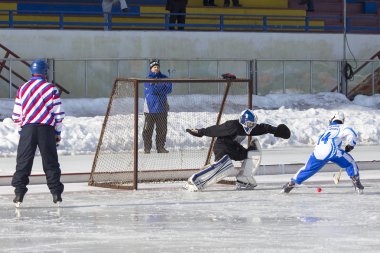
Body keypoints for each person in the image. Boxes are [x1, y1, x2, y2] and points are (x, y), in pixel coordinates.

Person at [185, 109, 291, 191]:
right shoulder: (232, 125)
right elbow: (216, 130)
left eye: (253, 124)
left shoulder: (250, 128)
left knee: (252, 152)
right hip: (222, 147)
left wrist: (276, 130)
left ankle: (244, 179)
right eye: (250, 124)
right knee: (224, 166)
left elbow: (264, 128)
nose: (251, 127)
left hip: (233, 147)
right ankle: (195, 180)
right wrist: (201, 132)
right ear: (244, 121)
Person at [11, 59, 65, 207]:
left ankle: (19, 194)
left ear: (32, 71)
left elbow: (16, 115)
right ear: (45, 72)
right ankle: (56, 194)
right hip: (46, 129)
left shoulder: (22, 89)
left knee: (23, 162)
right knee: (50, 162)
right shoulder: (51, 89)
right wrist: (57, 132)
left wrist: (22, 130)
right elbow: (58, 114)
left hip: (28, 128)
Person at [282, 111, 364, 194]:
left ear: (333, 119)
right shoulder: (342, 127)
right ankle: (356, 183)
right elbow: (352, 133)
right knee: (350, 163)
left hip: (318, 152)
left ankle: (291, 184)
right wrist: (350, 145)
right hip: (332, 150)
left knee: (307, 169)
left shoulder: (327, 129)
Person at [142, 59, 173, 154]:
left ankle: (160, 147)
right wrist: (161, 87)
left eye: (157, 67)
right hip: (150, 108)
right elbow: (152, 90)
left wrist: (158, 87)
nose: (156, 68)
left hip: (162, 108)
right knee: (147, 130)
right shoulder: (147, 79)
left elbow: (169, 89)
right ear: (151, 68)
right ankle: (147, 148)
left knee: (162, 130)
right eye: (154, 67)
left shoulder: (165, 77)